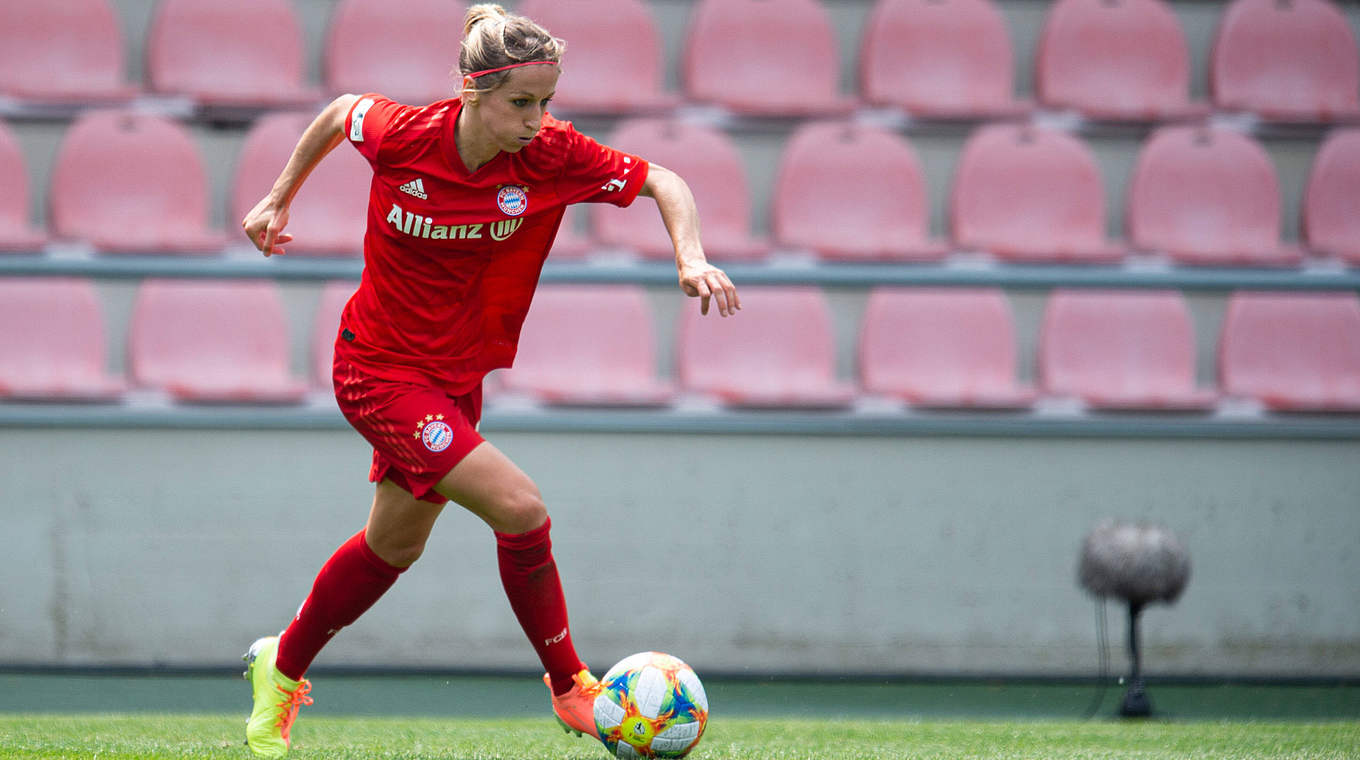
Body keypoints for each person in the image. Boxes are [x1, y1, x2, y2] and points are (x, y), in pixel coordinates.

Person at [237, 4, 740, 757]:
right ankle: (570, 685)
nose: (538, 119)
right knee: (522, 510)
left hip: (452, 380)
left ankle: (282, 665)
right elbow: (343, 113)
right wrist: (279, 196)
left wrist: (690, 256)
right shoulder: (406, 135)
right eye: (521, 103)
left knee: (393, 548)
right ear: (472, 91)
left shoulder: (551, 156)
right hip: (375, 367)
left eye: (547, 102)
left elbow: (664, 180)